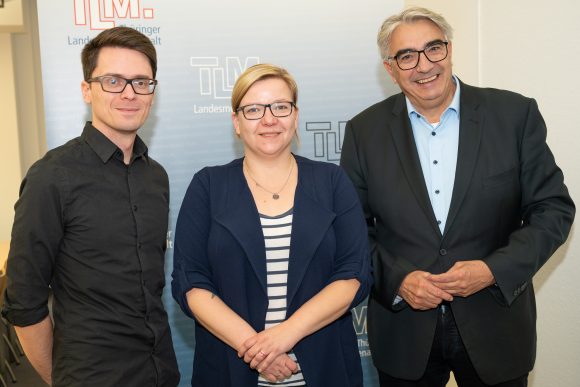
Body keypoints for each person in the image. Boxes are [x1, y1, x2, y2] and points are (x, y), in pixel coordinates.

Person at [340, 7, 575, 387]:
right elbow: (351, 230)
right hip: (404, 335)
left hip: (497, 328)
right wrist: (397, 280)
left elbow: (553, 210)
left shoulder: (514, 115)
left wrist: (492, 271)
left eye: (434, 48)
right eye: (407, 56)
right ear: (390, 68)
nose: (424, 65)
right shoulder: (363, 132)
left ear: (449, 49)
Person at [172, 63, 371, 387]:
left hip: (325, 370)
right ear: (236, 122)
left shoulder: (332, 182)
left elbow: (354, 274)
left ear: (295, 115)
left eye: (280, 106)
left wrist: (282, 337)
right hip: (230, 369)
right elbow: (190, 281)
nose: (269, 119)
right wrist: (256, 349)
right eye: (253, 109)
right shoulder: (208, 186)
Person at [2, 27, 180, 386]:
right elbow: (24, 303)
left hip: (160, 372)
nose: (129, 93)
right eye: (113, 80)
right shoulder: (52, 177)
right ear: (87, 90)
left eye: (141, 82)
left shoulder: (156, 177)